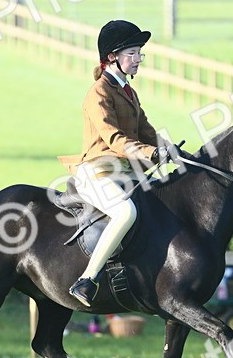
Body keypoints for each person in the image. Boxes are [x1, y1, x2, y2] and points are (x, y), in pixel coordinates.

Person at [58, 20, 175, 306]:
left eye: (139, 54)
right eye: (132, 53)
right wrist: (149, 154)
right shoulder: (98, 92)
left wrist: (173, 151)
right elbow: (114, 137)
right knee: (125, 213)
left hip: (127, 173)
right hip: (96, 172)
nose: (138, 60)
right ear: (113, 57)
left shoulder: (129, 92)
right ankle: (87, 279)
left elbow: (147, 131)